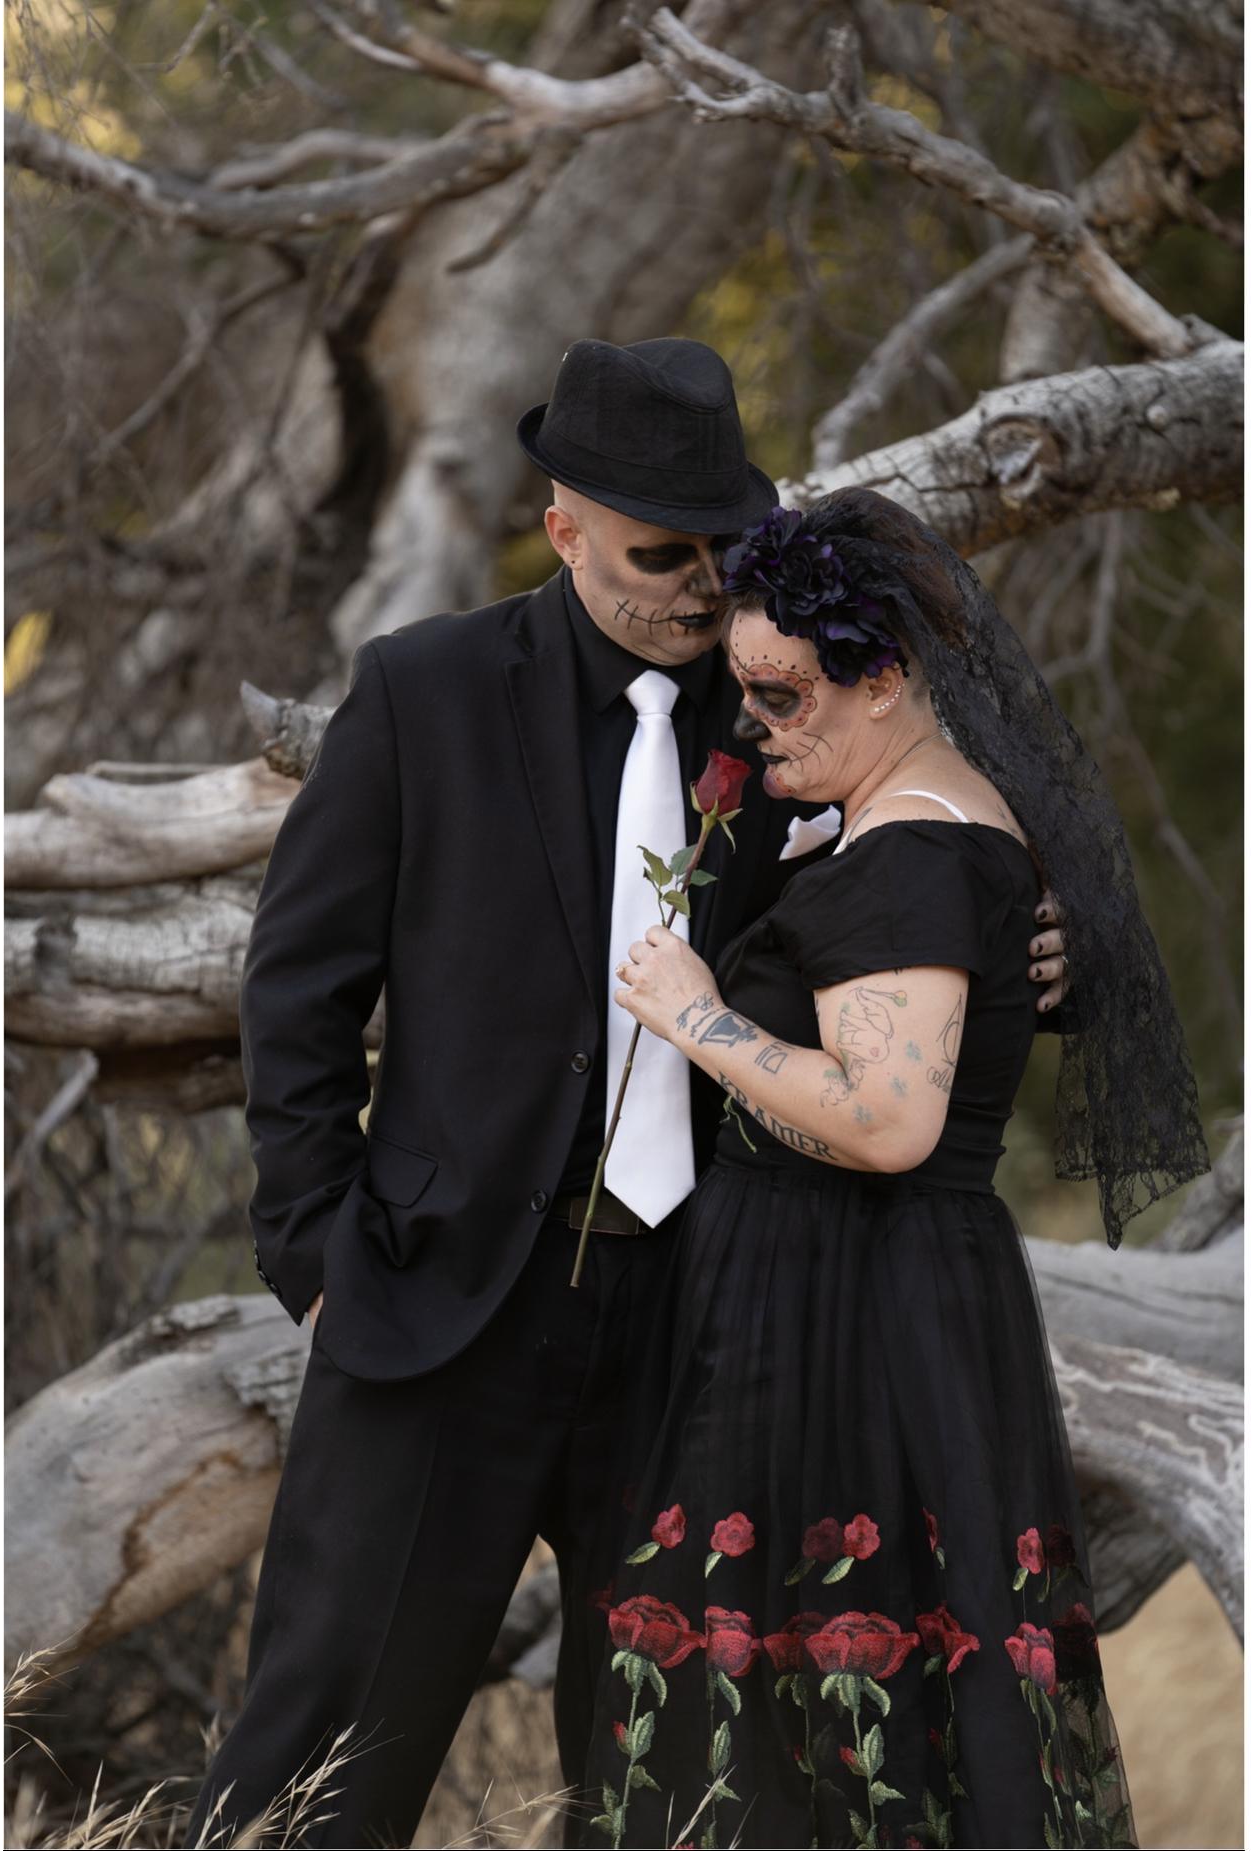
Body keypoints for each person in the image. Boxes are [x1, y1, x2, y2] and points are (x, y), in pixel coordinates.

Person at [187, 341, 1070, 1847]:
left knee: (691, 1781)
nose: (701, 586)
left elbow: (926, 906)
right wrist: (316, 1252)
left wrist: (1042, 952)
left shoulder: (792, 708)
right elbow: (298, 987)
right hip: (440, 1305)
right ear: (565, 532)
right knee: (321, 1761)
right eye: (662, 555)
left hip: (708, 1324)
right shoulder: (423, 692)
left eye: (723, 548)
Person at [575, 489, 1210, 1848]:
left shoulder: (913, 848)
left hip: (842, 1313)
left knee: (828, 1706)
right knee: (860, 1701)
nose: (756, 723)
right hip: (873, 1292)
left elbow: (888, 1122)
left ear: (885, 678)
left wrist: (697, 1015)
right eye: (746, 689)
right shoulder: (908, 823)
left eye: (785, 694)